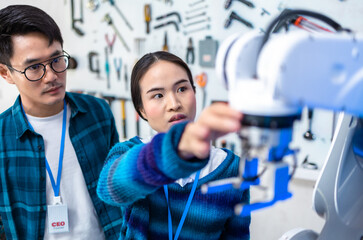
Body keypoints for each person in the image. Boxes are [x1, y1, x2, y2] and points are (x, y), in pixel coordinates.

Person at [97, 51, 251, 239]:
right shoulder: (128, 153)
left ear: (194, 91)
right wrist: (178, 149)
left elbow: (238, 236)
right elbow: (109, 189)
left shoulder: (233, 168)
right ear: (142, 110)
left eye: (182, 89)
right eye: (158, 95)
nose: (174, 104)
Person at [0, 5, 122, 239]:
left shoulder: (98, 112)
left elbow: (117, 189)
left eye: (57, 59)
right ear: (6, 73)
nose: (52, 76)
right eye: (34, 67)